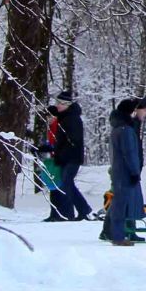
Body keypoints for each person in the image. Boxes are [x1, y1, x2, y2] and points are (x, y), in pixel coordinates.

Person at [102, 98, 145, 245]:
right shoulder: (126, 130)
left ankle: (117, 234)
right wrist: (134, 172)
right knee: (121, 204)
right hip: (125, 173)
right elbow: (130, 153)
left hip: (118, 171)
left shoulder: (116, 128)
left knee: (118, 203)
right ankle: (118, 236)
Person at [50, 91, 91, 221]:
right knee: (66, 183)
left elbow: (73, 139)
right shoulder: (64, 117)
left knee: (66, 183)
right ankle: (82, 210)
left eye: (61, 103)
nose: (58, 105)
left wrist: (62, 150)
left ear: (67, 105)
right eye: (57, 103)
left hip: (71, 157)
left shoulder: (71, 118)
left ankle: (73, 212)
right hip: (65, 157)